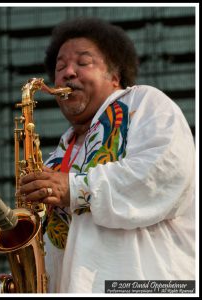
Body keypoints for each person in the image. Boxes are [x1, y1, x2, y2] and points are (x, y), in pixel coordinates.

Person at [14, 18, 195, 293]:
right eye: (60, 67)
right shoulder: (54, 158)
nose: (67, 73)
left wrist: (74, 188)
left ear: (114, 76)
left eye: (83, 63)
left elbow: (166, 172)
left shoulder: (144, 102)